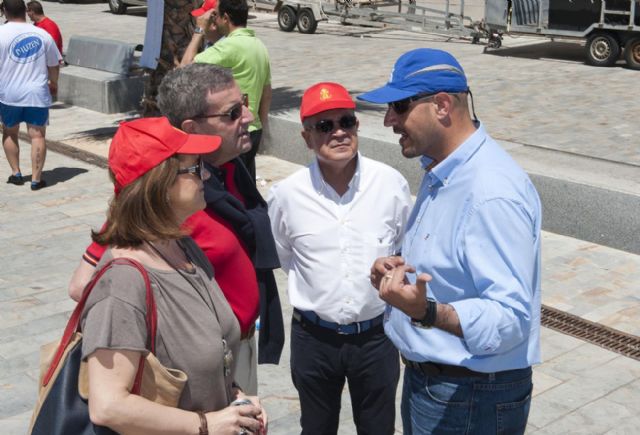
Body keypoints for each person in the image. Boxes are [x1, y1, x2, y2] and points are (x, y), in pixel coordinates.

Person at [68, 64, 284, 396]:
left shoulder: (229, 169)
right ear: (192, 126)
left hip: (234, 350)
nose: (248, 115)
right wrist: (176, 342)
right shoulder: (170, 196)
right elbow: (84, 284)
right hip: (199, 367)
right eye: (233, 112)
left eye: (244, 102)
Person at [360, 48, 541, 435]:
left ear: (442, 105)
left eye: (399, 105)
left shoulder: (490, 192)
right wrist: (399, 266)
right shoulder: (443, 167)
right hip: (443, 385)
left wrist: (427, 312)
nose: (389, 119)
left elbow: (511, 317)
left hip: (470, 395)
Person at [80, 116, 267, 435]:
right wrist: (207, 424)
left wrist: (236, 399)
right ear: (159, 184)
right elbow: (108, 405)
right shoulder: (122, 282)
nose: (206, 173)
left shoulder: (182, 246)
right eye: (194, 168)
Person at [267, 82, 412, 434]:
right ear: (307, 138)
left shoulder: (391, 184)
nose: (339, 133)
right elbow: (287, 256)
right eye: (324, 126)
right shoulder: (286, 195)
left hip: (375, 338)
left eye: (346, 121)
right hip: (314, 339)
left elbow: (405, 249)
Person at [195, 0, 271, 181]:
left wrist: (198, 31)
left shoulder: (228, 47)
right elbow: (266, 92)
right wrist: (264, 127)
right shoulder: (259, 45)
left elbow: (185, 69)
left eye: (216, 15)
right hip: (253, 129)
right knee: (247, 189)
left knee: (230, 190)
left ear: (226, 18)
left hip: (233, 131)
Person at [0, 0, 61, 190]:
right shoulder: (42, 34)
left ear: (4, 11)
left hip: (9, 93)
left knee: (10, 132)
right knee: (37, 136)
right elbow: (54, 64)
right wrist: (54, 83)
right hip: (36, 93)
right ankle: (36, 179)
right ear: (26, 11)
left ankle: (16, 174)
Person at [180, 0, 222, 67]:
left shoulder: (221, 48)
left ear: (214, 24)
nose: (198, 22)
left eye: (202, 19)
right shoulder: (210, 44)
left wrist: (199, 30)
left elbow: (184, 68)